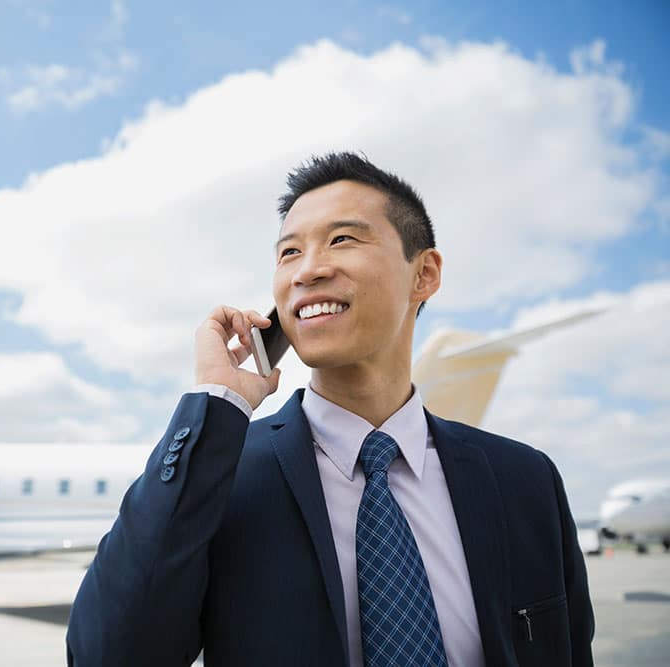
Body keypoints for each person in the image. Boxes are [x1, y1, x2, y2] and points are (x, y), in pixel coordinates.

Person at [66, 152, 594, 666]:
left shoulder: (526, 480)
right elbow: (107, 654)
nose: (308, 270)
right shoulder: (220, 476)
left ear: (424, 274)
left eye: (342, 239)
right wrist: (215, 400)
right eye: (289, 253)